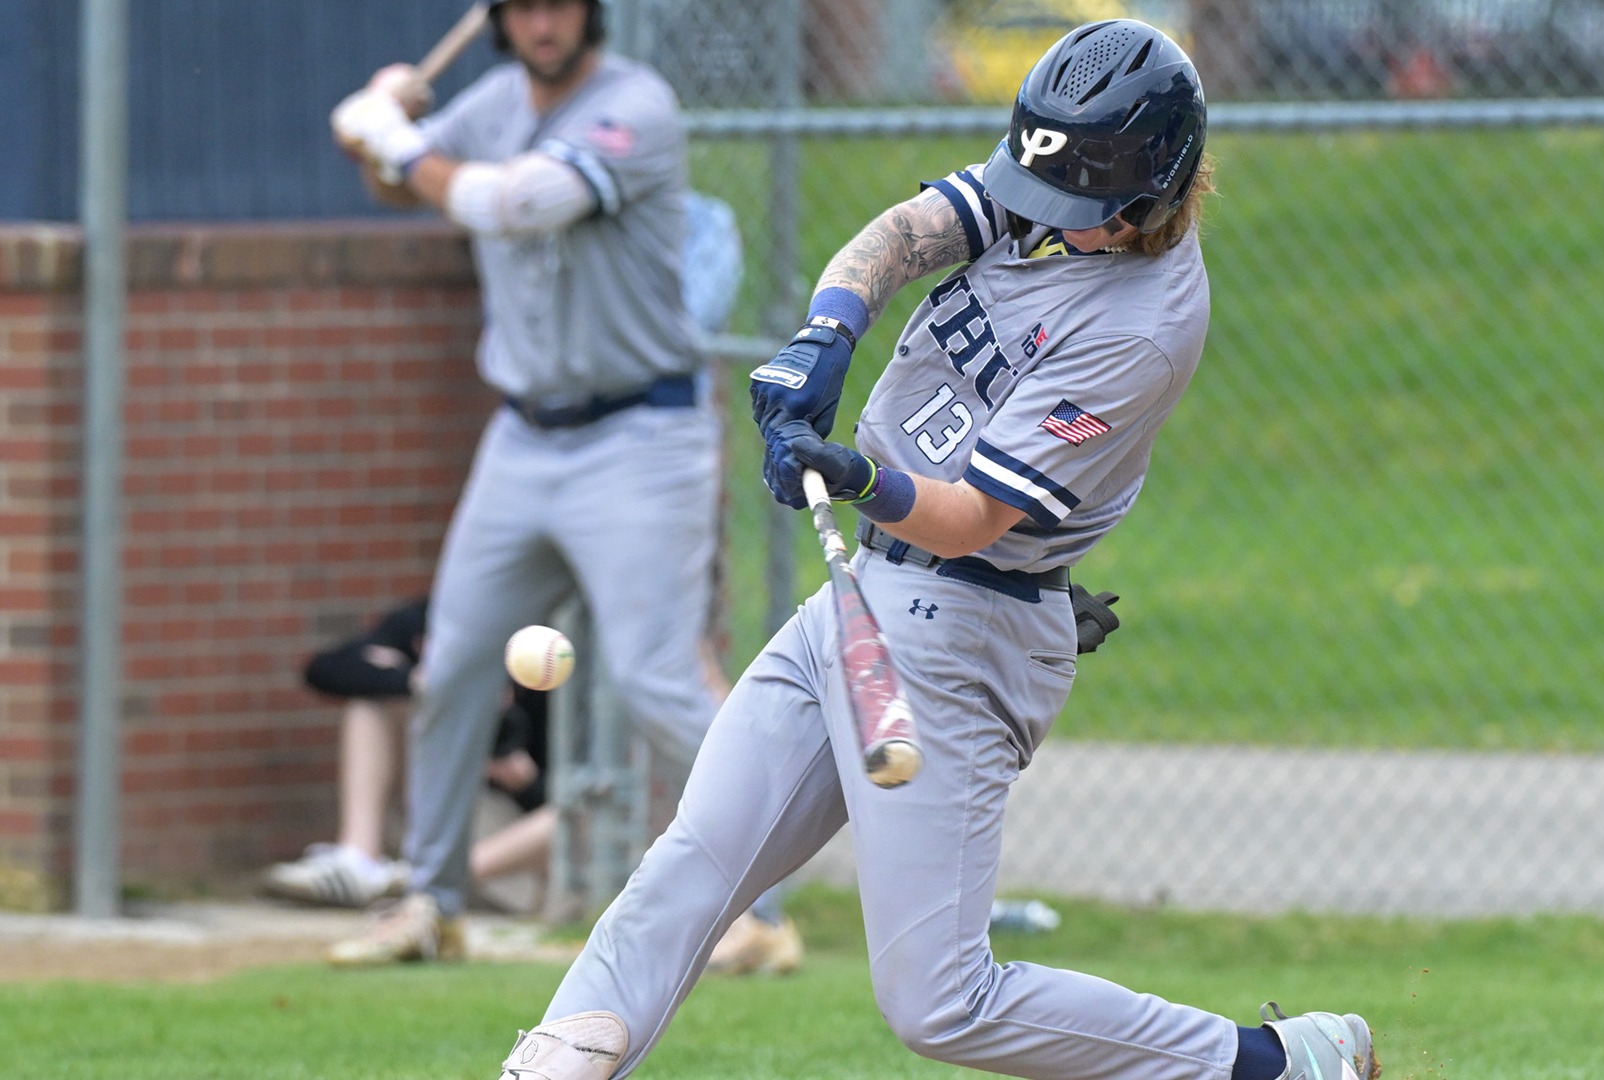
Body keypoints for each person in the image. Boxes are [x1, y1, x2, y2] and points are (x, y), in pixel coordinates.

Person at [491, 19, 1379, 1080]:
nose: (1044, 220)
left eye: (1080, 211)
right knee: (694, 859)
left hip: (963, 628)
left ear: (1156, 190)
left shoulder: (1142, 325)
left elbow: (968, 518)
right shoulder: (1062, 180)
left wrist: (856, 473)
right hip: (867, 593)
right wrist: (828, 330)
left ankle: (1270, 1066)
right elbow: (907, 232)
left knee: (940, 1002)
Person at [323, 0, 797, 969]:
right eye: (526, 7)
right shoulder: (493, 103)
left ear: (592, 16)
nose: (545, 23)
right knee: (450, 664)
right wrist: (378, 122)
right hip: (522, 436)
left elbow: (516, 203)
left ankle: (762, 913)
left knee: (656, 680)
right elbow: (398, 187)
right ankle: (432, 903)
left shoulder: (638, 107)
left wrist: (392, 138)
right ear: (501, 22)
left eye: (562, 5)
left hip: (641, 433)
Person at [262, 597, 558, 913]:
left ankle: (428, 882)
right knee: (372, 702)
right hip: (431, 809)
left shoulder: (548, 650)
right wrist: (417, 681)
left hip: (510, 845)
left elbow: (573, 796)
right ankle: (359, 861)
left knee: (588, 806)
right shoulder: (438, 617)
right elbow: (323, 668)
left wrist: (523, 781)